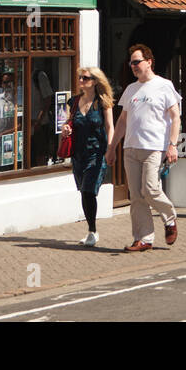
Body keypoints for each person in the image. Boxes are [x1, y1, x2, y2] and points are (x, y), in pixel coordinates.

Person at [106, 45, 180, 252]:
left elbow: (175, 117)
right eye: (131, 63)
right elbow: (123, 120)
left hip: (154, 147)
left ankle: (169, 218)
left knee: (150, 189)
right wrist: (112, 148)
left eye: (137, 62)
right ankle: (144, 238)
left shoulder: (164, 86)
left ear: (149, 61)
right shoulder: (131, 89)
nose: (133, 66)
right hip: (131, 147)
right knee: (136, 196)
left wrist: (172, 146)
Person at [63, 66, 115, 246]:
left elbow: (110, 127)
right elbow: (68, 122)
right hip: (79, 154)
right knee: (83, 192)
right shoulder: (74, 101)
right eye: (80, 78)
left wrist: (111, 148)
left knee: (88, 190)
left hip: (96, 152)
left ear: (94, 81)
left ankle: (92, 231)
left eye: (85, 78)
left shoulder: (103, 102)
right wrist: (66, 129)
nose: (81, 81)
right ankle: (91, 230)